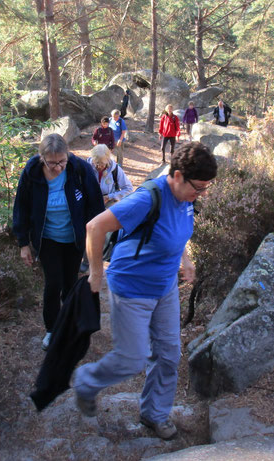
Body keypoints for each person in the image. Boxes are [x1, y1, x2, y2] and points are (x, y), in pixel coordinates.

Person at [74, 142, 217, 440]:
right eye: (199, 188)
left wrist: (185, 260)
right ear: (177, 176)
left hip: (164, 288)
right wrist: (97, 272)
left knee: (168, 354)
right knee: (133, 358)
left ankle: (155, 414)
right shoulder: (147, 198)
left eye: (206, 188)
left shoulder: (187, 198)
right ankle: (87, 381)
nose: (201, 194)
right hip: (132, 288)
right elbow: (94, 227)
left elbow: (177, 232)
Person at [13, 134, 104, 351]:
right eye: (52, 163)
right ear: (42, 158)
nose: (58, 167)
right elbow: (21, 207)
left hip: (74, 238)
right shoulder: (32, 172)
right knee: (53, 283)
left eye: (62, 161)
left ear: (68, 155)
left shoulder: (79, 169)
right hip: (47, 238)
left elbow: (95, 205)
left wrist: (95, 240)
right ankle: (52, 329)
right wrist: (23, 243)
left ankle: (70, 324)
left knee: (70, 283)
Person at [80, 143, 133, 272]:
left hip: (106, 204)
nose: (98, 167)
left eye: (102, 164)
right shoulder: (85, 168)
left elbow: (128, 189)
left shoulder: (115, 170)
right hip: (88, 203)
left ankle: (99, 260)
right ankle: (85, 260)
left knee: (101, 233)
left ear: (108, 160)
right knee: (86, 231)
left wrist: (110, 196)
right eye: (96, 163)